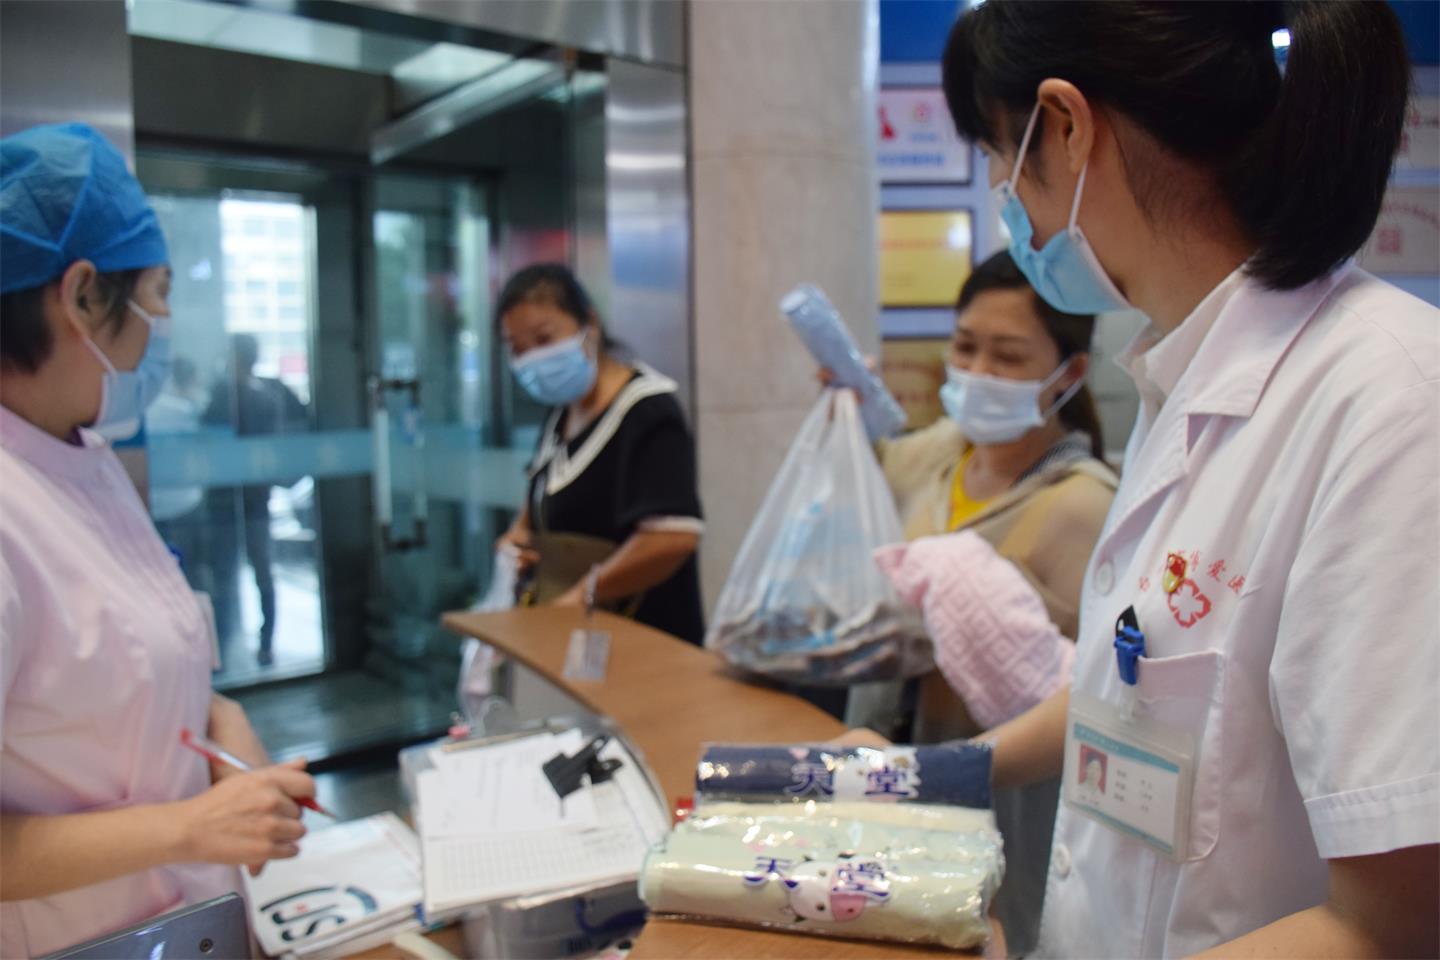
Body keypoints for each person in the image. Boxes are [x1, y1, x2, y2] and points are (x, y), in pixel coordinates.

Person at [923, 2, 1436, 955]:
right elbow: (1139, 686)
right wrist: (928, 776)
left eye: (999, 151)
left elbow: (1391, 923)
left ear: (1066, 126)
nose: (1001, 190)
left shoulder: (1394, 407)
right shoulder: (1181, 376)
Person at [0, 123, 313, 958]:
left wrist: (223, 722)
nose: (166, 321)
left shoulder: (88, 459)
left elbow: (123, 664)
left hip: (192, 924)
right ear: (82, 295)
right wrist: (188, 826)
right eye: (160, 291)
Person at [841, 249, 1118, 954]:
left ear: (1069, 374)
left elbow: (1099, 695)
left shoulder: (1084, 507)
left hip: (1001, 809)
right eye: (965, 347)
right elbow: (871, 461)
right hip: (891, 770)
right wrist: (847, 400)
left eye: (1008, 356)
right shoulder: (939, 454)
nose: (977, 371)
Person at [496, 263, 705, 644]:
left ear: (589, 324)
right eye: (518, 349)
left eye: (544, 339)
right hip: (576, 641)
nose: (533, 360)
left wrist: (586, 593)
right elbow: (542, 497)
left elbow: (672, 537)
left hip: (645, 641)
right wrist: (519, 536)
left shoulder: (648, 411)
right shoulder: (560, 415)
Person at [204, 333, 308, 667]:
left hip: (231, 502)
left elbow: (208, 442)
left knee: (226, 577)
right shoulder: (266, 397)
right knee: (260, 574)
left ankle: (222, 649)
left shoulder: (223, 395)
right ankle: (264, 645)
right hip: (254, 500)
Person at [148, 354, 209, 592]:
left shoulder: (143, 413)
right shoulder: (186, 410)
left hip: (155, 505)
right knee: (193, 574)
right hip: (186, 504)